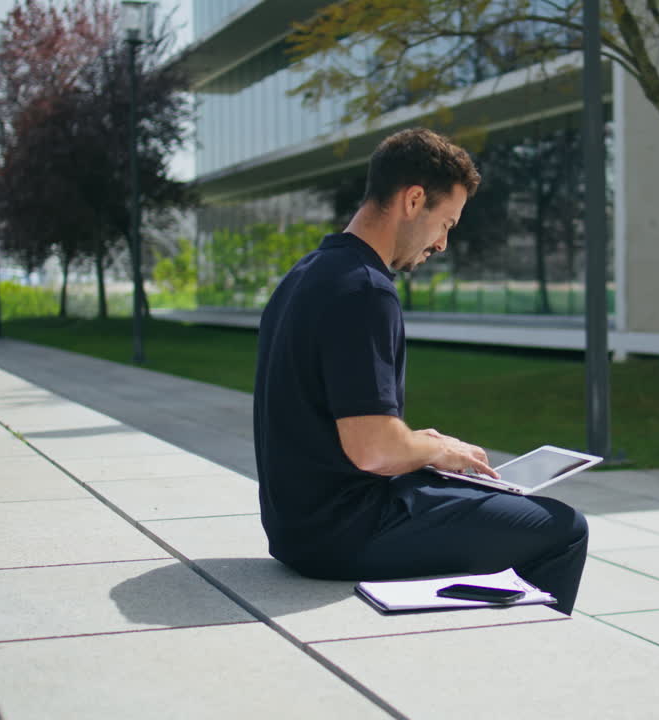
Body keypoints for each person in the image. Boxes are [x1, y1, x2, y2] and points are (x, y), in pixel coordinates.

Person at [252, 127, 589, 614]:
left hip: (294, 525)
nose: (443, 244)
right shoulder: (365, 290)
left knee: (473, 491)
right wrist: (433, 449)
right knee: (562, 529)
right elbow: (372, 450)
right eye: (446, 223)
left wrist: (428, 447)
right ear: (413, 200)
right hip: (341, 533)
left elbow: (340, 423)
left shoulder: (307, 274)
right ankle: (527, 664)